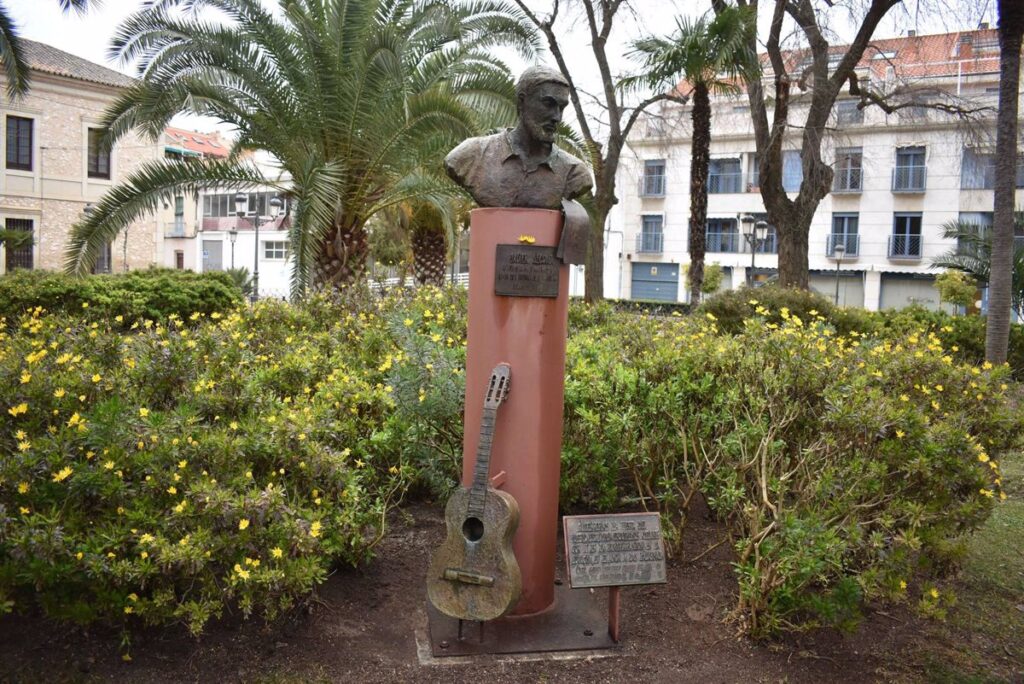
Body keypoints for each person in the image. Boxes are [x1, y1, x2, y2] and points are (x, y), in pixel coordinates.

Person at [445, 66, 592, 263]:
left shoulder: (574, 173)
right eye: (548, 104)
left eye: (561, 107)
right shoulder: (471, 156)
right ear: (522, 102)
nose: (556, 117)